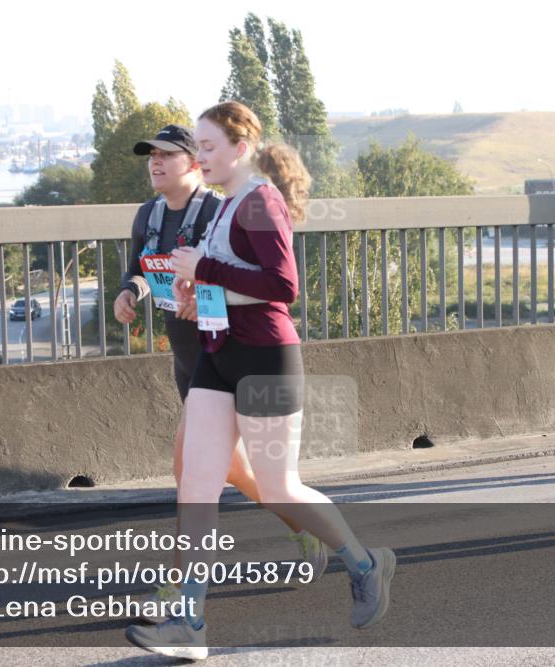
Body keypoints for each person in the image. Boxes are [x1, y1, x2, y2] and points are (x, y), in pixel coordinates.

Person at [124, 102, 395, 660]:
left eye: (207, 147)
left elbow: (282, 284)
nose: (200, 156)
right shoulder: (225, 208)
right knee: (196, 486)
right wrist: (196, 298)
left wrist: (204, 270)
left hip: (265, 358)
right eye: (196, 147)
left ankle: (365, 562)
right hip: (216, 356)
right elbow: (232, 284)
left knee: (278, 486)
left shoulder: (258, 201)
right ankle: (189, 623)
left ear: (239, 148)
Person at [115, 124, 327, 622]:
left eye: (168, 154)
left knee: (189, 473)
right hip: (190, 362)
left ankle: (180, 594)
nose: (155, 162)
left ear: (195, 163)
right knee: (233, 470)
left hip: (228, 355)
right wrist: (130, 294)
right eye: (151, 155)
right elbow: (142, 270)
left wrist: (206, 301)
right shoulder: (147, 215)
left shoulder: (217, 209)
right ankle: (305, 527)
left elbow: (252, 279)